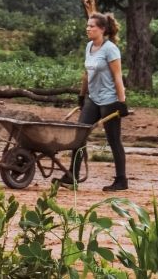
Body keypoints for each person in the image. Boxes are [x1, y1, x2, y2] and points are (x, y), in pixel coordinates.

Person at [58, 12, 129, 191]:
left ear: (102, 29)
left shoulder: (110, 48)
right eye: (88, 26)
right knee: (79, 137)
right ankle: (72, 176)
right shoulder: (89, 46)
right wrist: (82, 96)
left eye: (92, 26)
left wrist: (122, 102)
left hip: (109, 99)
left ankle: (121, 180)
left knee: (113, 140)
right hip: (93, 98)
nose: (88, 29)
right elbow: (87, 73)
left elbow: (118, 76)